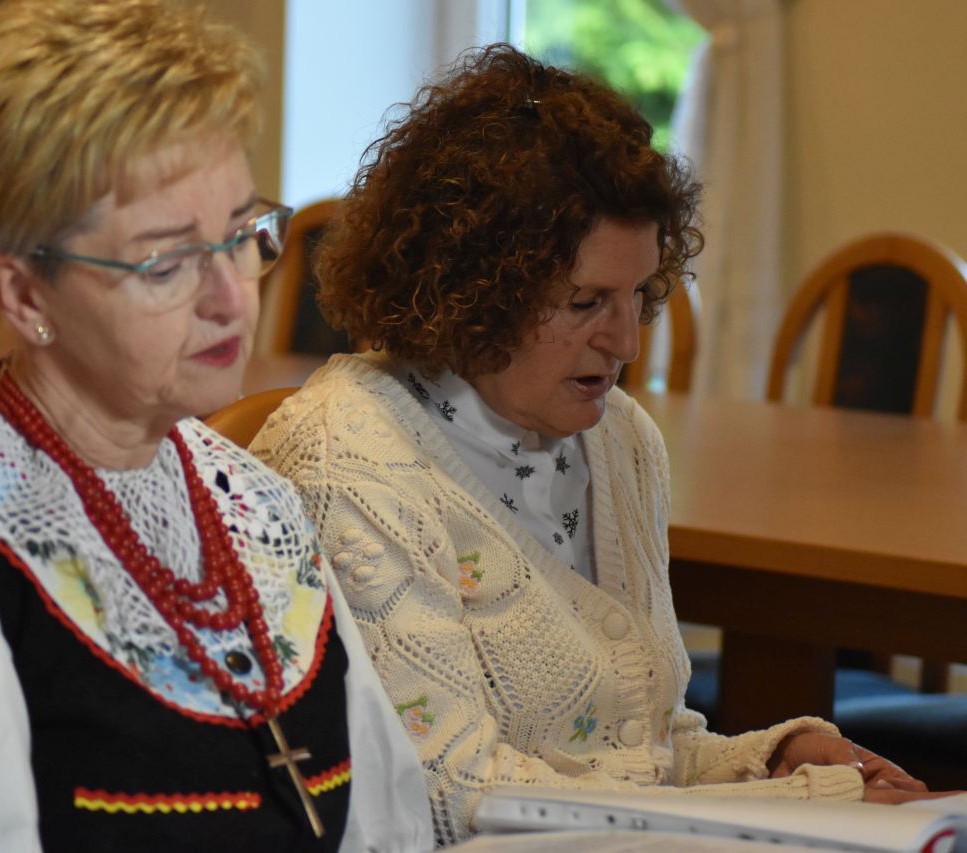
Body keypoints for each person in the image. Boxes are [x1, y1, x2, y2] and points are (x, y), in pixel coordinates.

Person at [249, 44, 945, 846]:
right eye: (585, 302)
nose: (626, 343)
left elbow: (645, 748)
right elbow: (451, 799)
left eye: (639, 295)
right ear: (471, 290)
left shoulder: (618, 440)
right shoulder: (350, 464)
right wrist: (805, 805)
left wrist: (770, 759)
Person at [0, 2, 433, 850]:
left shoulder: (258, 510)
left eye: (241, 234)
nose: (232, 297)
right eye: (166, 261)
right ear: (24, 294)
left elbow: (386, 824)